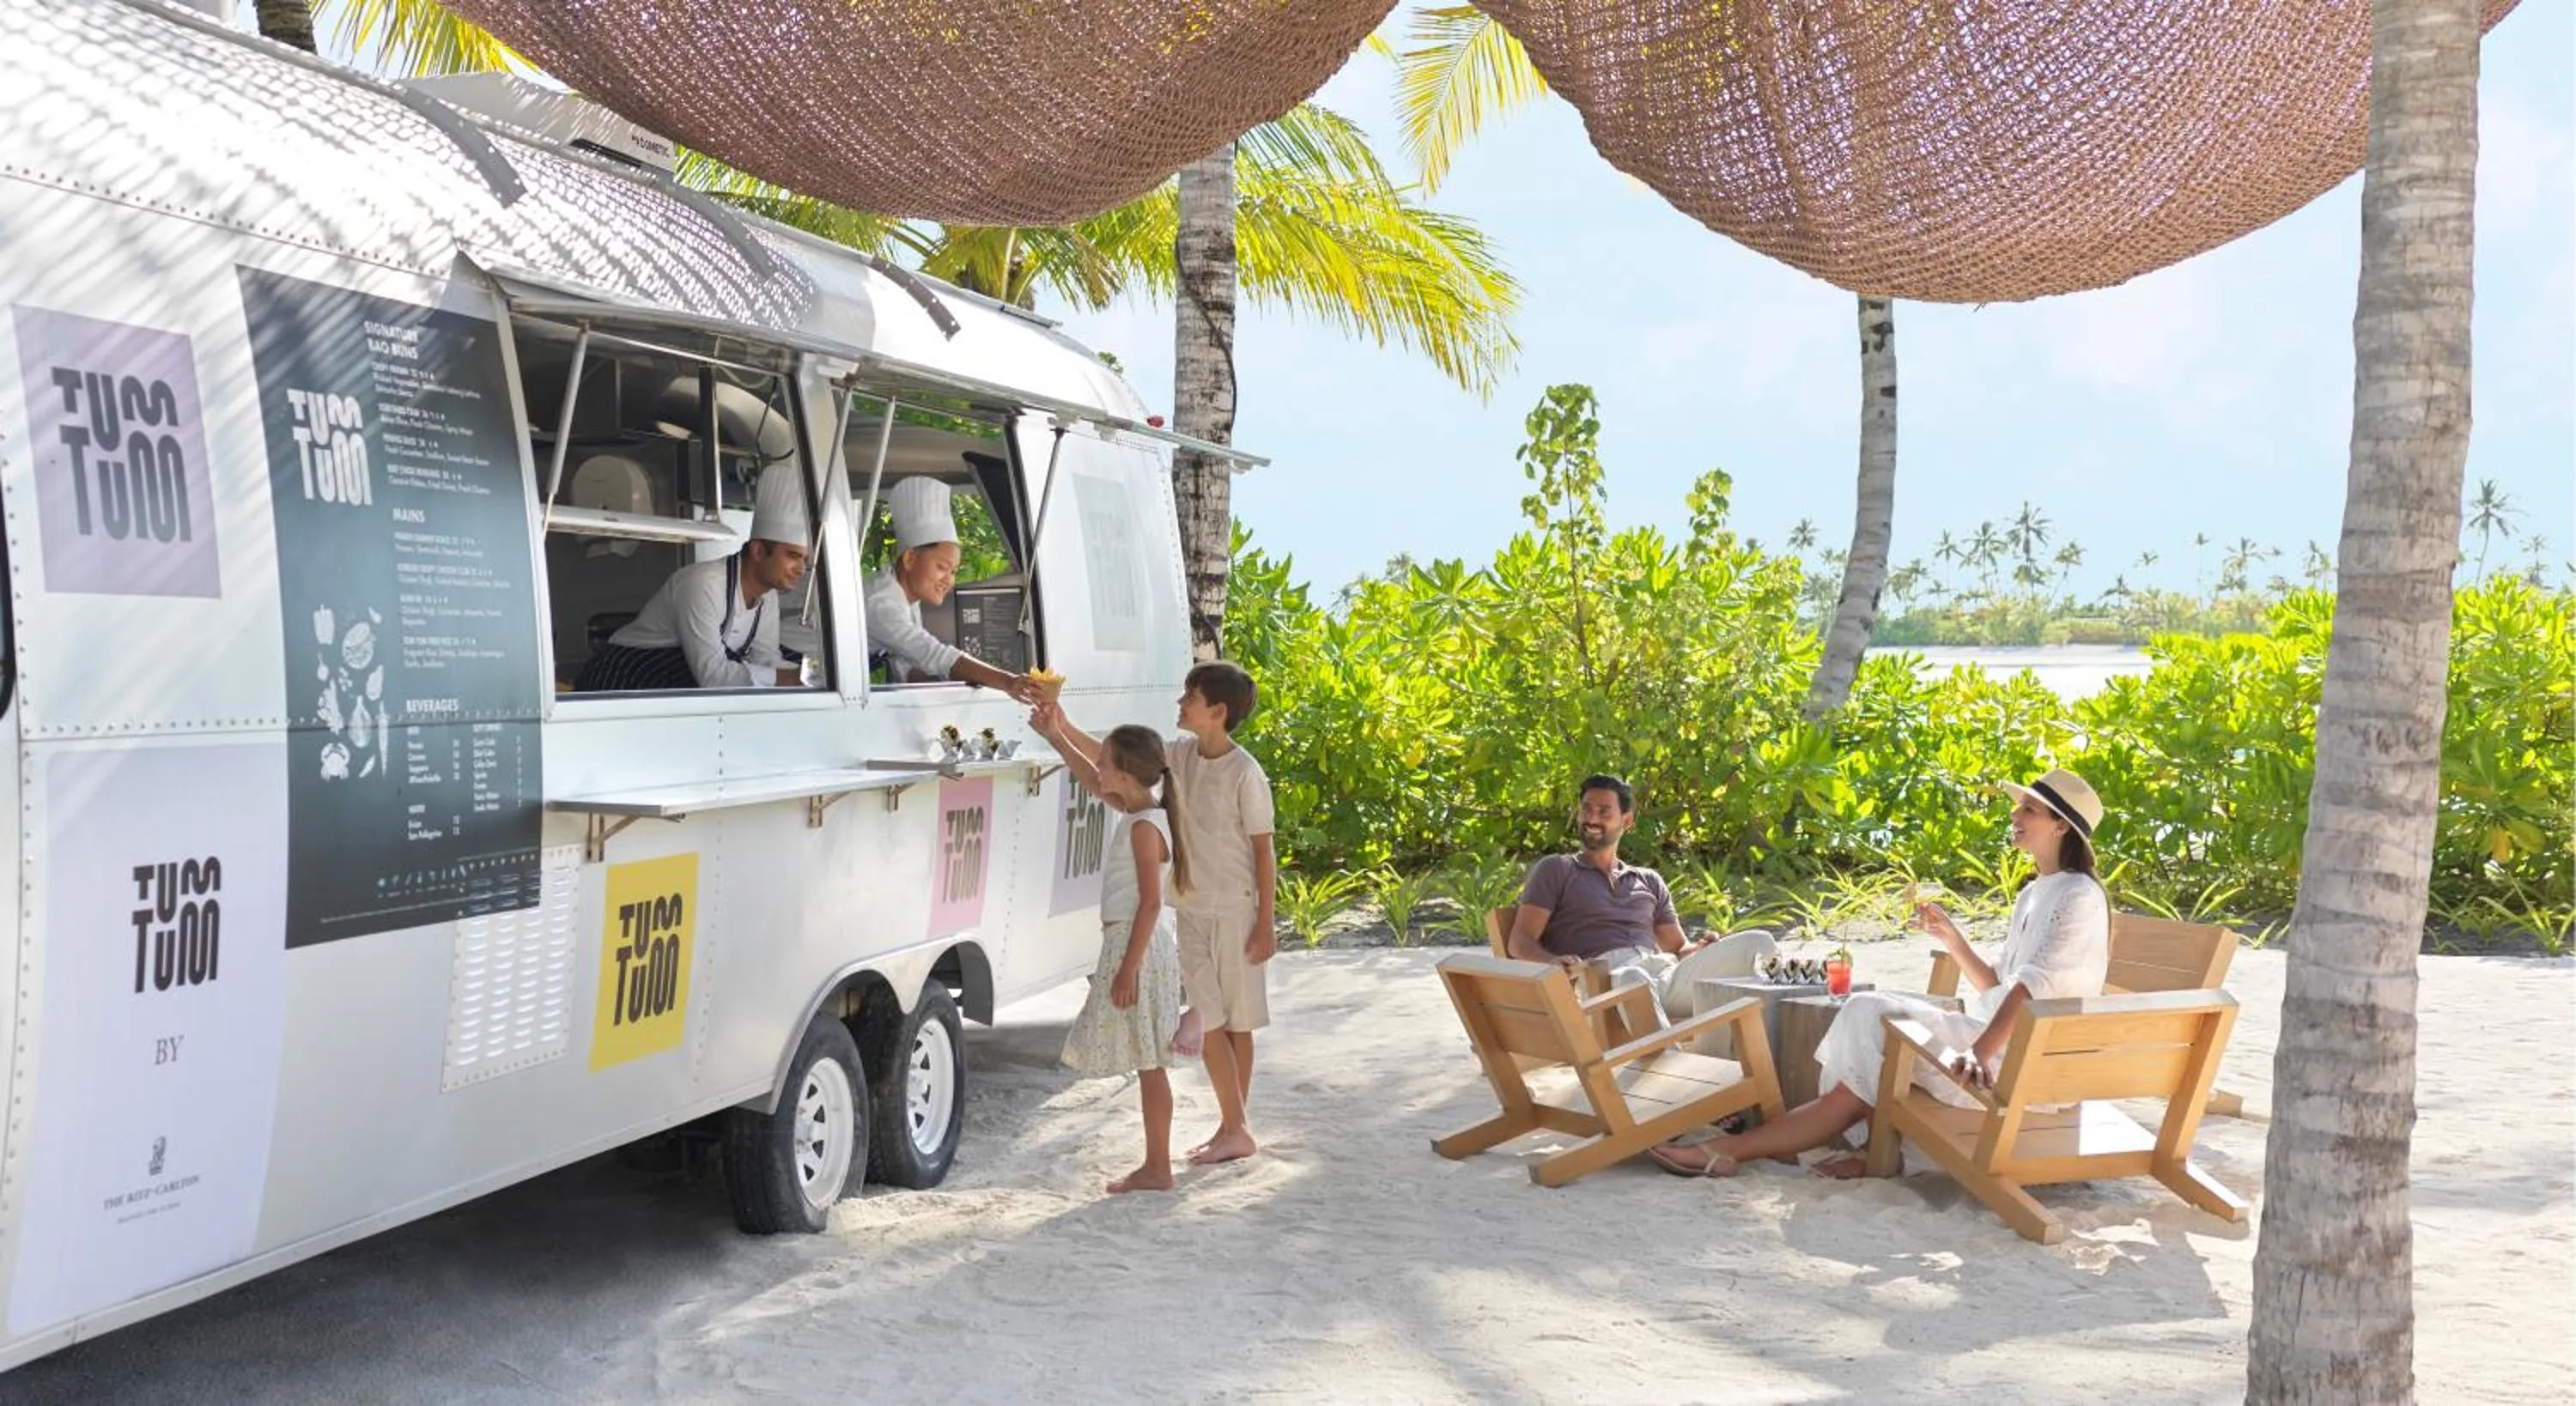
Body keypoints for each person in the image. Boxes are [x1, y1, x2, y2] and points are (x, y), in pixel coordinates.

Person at [1647, 767, 2111, 1179]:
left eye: (2029, 809)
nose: (2014, 814)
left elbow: (2031, 989)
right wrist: (1952, 939)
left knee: (1872, 1015)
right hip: (1999, 1041)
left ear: (2061, 826)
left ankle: (1767, 1151)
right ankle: (1759, 1150)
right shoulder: (2036, 892)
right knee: (1869, 1020)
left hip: (2027, 1061)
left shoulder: (2077, 898)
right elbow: (1998, 985)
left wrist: (1979, 1052)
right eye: (2019, 806)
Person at [1034, 661, 1278, 1167]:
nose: (1180, 702)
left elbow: (1263, 850)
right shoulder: (1179, 755)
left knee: (1238, 1023)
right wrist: (1062, 726)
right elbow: (1117, 764)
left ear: (1217, 711)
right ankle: (1235, 1128)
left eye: (1190, 697)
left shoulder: (1245, 772)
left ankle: (1234, 1127)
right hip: (1189, 908)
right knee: (1211, 1019)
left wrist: (1265, 921)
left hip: (1235, 909)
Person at [1051, 723, 1206, 1194]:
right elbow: (1091, 780)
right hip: (1135, 942)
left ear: (1124, 774)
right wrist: (1055, 733)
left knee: (1150, 1062)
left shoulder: (1144, 827)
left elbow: (1151, 904)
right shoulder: (1144, 812)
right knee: (1147, 1060)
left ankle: (1158, 1166)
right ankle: (1155, 1164)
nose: (1097, 768)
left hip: (1137, 946)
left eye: (1105, 763)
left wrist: (1127, 969)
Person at [1504, 774, 1778, 1040]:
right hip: (1606, 984)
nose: (1592, 818)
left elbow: (1678, 949)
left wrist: (1702, 948)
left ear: (1627, 821)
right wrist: (1552, 962)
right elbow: (1519, 942)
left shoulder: (1648, 879)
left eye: (1604, 811)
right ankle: (1671, 1066)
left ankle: (1766, 1055)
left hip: (1663, 975)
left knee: (1759, 943)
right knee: (1631, 977)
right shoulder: (1557, 869)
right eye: (1586, 809)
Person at [576, 463, 810, 691]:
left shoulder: (767, 597)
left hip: (669, 688)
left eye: (804, 559)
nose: (800, 568)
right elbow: (713, 676)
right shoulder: (703, 585)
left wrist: (813, 673)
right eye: (793, 556)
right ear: (758, 551)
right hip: (622, 680)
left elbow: (765, 658)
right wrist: (794, 677)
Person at [863, 476, 1041, 701]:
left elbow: (908, 667)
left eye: (954, 571)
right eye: (942, 567)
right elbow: (935, 655)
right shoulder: (881, 603)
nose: (949, 580)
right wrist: (1009, 683)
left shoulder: (905, 595)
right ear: (909, 559)